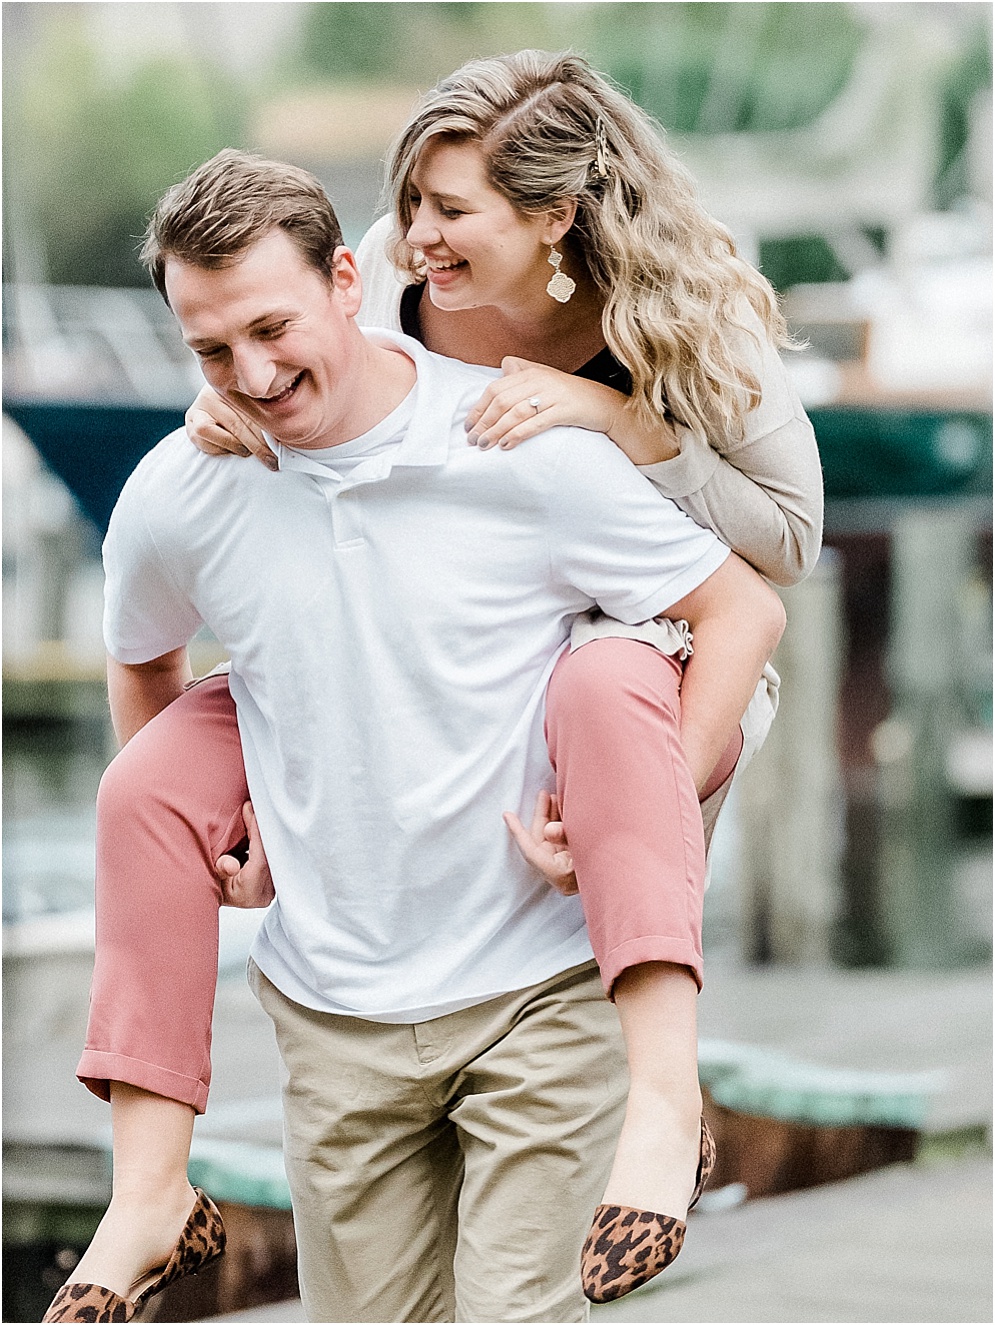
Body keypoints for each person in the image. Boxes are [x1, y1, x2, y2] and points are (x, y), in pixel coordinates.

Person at [44, 49, 816, 1322]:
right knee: (144, 790)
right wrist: (229, 383)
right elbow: (272, 304)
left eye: (451, 209)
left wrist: (610, 421)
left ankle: (666, 1096)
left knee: (600, 688)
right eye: (410, 202)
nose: (419, 233)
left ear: (554, 215)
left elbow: (773, 554)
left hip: (639, 664)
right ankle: (149, 1183)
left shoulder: (667, 332)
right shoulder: (376, 283)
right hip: (355, 941)